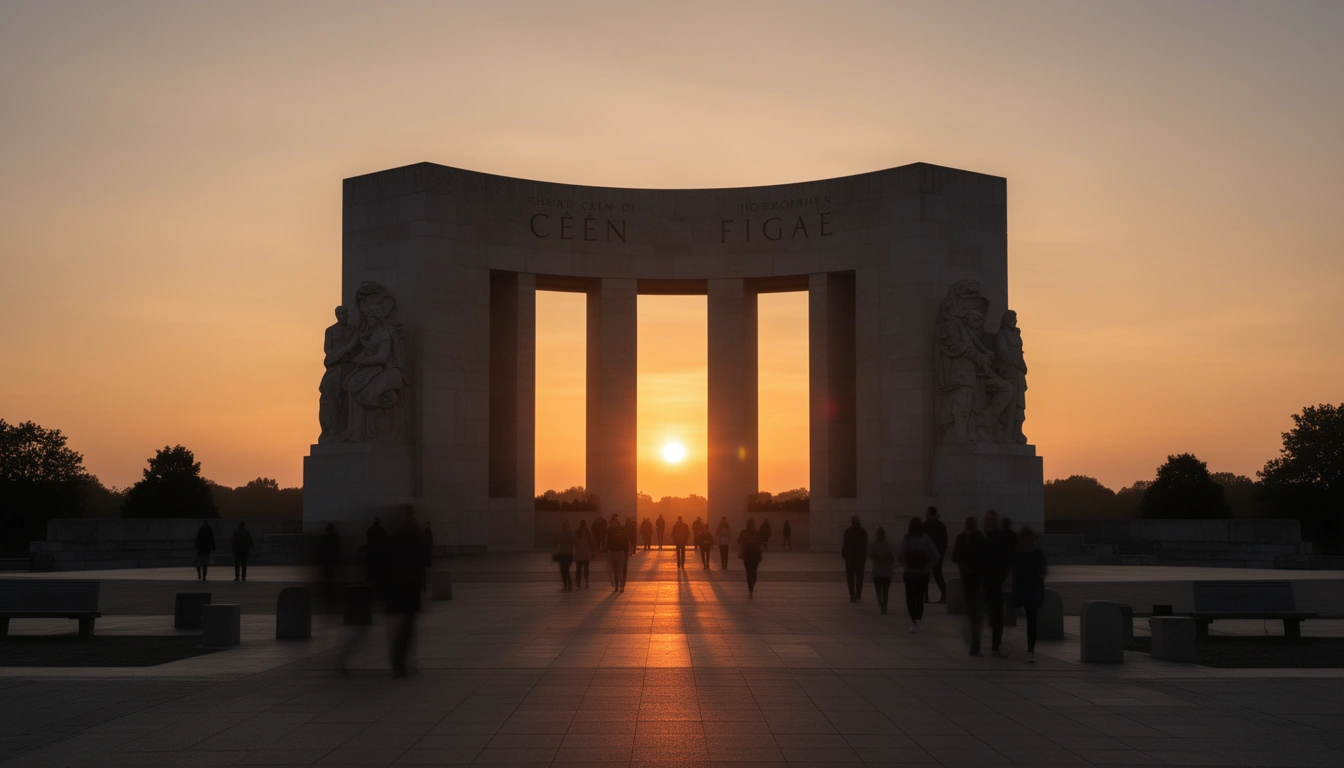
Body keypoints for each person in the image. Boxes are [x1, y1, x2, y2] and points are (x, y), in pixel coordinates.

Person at [385, 510, 428, 677]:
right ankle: (408, 662)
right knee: (408, 628)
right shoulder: (417, 537)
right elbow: (425, 560)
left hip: (395, 588)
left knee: (396, 628)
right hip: (411, 587)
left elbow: (386, 560)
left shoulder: (394, 536)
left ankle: (397, 663)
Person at [981, 508, 1014, 657]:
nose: (989, 522)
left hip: (994, 580)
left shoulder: (999, 537)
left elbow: (1006, 558)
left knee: (996, 615)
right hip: (981, 580)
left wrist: (1002, 575)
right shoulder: (980, 536)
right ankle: (976, 645)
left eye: (992, 519)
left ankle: (995, 645)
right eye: (987, 519)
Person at [898, 517, 940, 632]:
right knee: (920, 598)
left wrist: (906, 565)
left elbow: (900, 555)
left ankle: (914, 621)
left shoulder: (907, 538)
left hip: (910, 574)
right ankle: (918, 620)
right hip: (923, 574)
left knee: (910, 599)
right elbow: (936, 554)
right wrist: (929, 566)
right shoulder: (926, 538)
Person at [1013, 526, 1048, 663]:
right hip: (1032, 588)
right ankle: (1030, 650)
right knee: (1031, 620)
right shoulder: (1036, 553)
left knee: (1031, 619)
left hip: (1028, 589)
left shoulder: (1019, 553)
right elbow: (1044, 571)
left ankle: (1030, 650)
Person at [951, 516, 985, 655]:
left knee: (972, 612)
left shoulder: (961, 538)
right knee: (976, 614)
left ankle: (974, 643)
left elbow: (954, 557)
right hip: (978, 580)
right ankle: (975, 643)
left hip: (967, 579)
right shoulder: (980, 538)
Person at [924, 506, 949, 603]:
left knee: (925, 575)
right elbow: (944, 540)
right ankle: (945, 594)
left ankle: (925, 597)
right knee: (938, 574)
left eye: (927, 512)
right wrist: (941, 552)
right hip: (938, 553)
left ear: (930, 513)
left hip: (927, 554)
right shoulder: (941, 525)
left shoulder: (925, 525)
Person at [868, 527, 895, 614]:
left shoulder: (873, 545)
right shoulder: (888, 545)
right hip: (886, 572)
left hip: (877, 572)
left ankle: (880, 601)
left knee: (878, 589)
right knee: (885, 590)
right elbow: (892, 558)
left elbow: (870, 555)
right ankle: (884, 606)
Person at [841, 516, 868, 602]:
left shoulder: (848, 532)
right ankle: (858, 594)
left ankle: (852, 595)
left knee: (850, 578)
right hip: (860, 559)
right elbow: (865, 547)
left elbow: (844, 546)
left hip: (850, 558)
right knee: (859, 577)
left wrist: (845, 556)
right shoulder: (863, 532)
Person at [738, 518, 763, 597]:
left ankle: (750, 589)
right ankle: (751, 589)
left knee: (750, 572)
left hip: (750, 554)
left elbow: (739, 542)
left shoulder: (745, 532)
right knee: (752, 572)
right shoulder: (756, 533)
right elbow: (760, 543)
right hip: (752, 554)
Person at [606, 513, 628, 592]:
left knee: (621, 570)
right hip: (612, 552)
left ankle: (621, 586)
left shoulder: (622, 529)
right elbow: (608, 541)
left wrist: (626, 552)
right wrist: (606, 551)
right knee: (615, 571)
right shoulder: (609, 530)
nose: (615, 522)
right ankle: (616, 586)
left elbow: (625, 541)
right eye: (614, 520)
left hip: (620, 552)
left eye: (617, 520)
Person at [365, 516, 389, 588]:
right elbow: (386, 538)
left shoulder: (370, 530)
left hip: (372, 553)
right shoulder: (382, 530)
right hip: (380, 553)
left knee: (372, 570)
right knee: (380, 571)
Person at [555, 520, 575, 592]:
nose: (565, 527)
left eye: (566, 525)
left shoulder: (571, 534)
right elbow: (557, 541)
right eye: (564, 525)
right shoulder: (561, 533)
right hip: (562, 554)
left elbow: (574, 541)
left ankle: (569, 586)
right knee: (563, 571)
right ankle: (566, 585)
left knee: (566, 570)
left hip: (569, 554)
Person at [573, 519, 594, 589]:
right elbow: (591, 544)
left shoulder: (577, 533)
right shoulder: (588, 533)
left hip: (581, 554)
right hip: (584, 554)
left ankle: (579, 583)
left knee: (579, 569)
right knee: (585, 569)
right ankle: (585, 582)